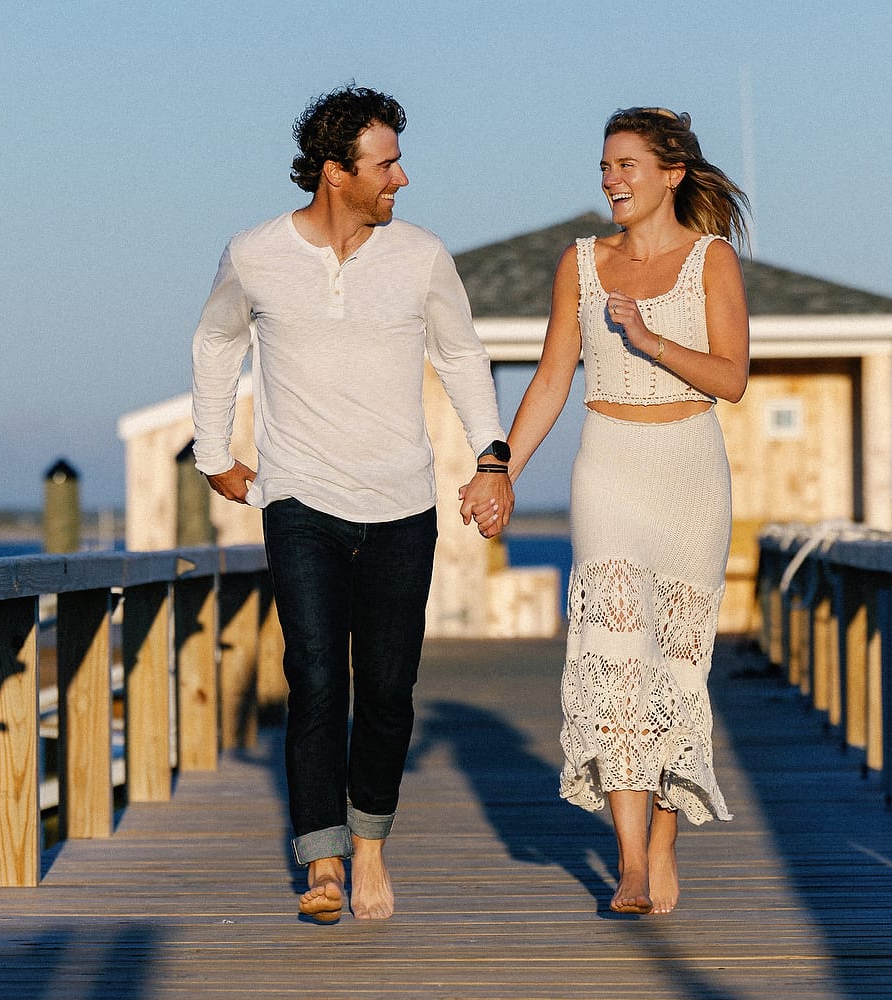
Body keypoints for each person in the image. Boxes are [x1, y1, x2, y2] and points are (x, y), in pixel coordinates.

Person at [190, 84, 514, 923]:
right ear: (336, 172)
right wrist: (212, 450)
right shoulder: (255, 253)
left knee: (390, 689)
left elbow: (463, 354)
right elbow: (217, 340)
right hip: (300, 497)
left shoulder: (421, 257)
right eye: (387, 162)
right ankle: (324, 862)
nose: (401, 178)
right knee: (316, 679)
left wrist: (492, 457)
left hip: (403, 502)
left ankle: (370, 846)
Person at [479, 107, 750, 915]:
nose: (611, 180)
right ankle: (630, 860)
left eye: (627, 165)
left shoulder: (713, 260)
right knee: (613, 656)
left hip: (690, 471)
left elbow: (732, 378)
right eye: (605, 166)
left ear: (672, 174)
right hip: (610, 470)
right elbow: (553, 380)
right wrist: (500, 470)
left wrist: (651, 340)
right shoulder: (581, 264)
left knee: (675, 663)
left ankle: (664, 844)